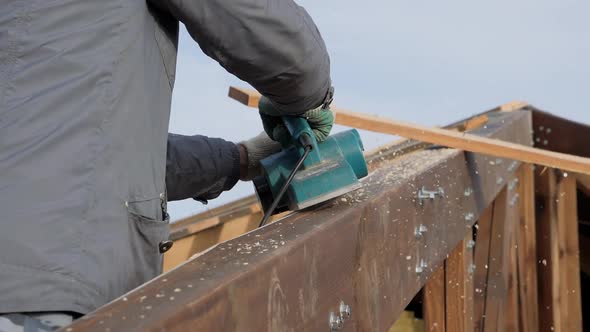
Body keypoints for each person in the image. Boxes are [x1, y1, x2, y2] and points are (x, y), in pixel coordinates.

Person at [0, 0, 334, 330]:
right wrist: (314, 96)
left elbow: (106, 156)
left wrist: (242, 159)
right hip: (48, 293)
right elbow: (258, 23)